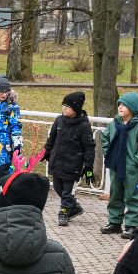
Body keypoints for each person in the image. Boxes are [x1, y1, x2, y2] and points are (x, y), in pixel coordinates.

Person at [100, 92, 138, 239]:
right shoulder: (113, 124)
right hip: (115, 165)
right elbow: (105, 139)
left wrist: (136, 160)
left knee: (132, 196)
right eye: (119, 104)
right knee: (115, 194)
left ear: (133, 108)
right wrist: (108, 152)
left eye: (124, 105)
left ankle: (132, 225)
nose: (120, 107)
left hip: (131, 168)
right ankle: (114, 222)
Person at [38, 91, 94, 227]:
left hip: (73, 165)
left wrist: (88, 167)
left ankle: (63, 213)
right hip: (57, 162)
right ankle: (74, 207)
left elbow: (89, 147)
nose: (64, 109)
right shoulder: (59, 120)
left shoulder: (83, 125)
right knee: (58, 187)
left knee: (67, 192)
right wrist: (46, 152)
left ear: (75, 109)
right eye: (63, 106)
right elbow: (51, 139)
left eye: (67, 107)